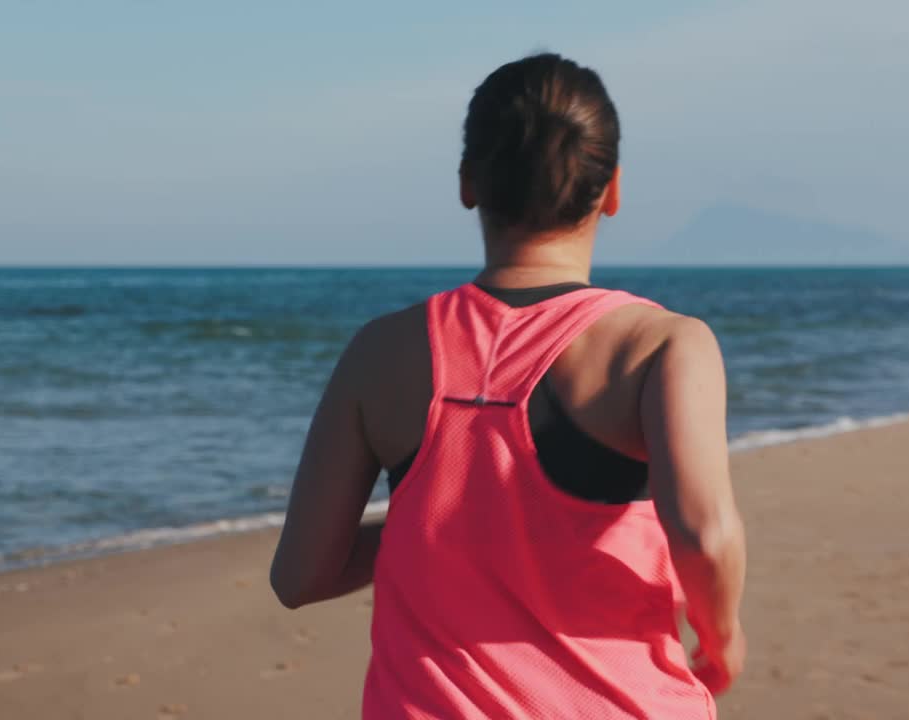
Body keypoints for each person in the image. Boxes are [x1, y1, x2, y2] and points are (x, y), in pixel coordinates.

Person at [270, 52, 746, 719]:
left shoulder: (379, 351)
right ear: (611, 189)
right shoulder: (661, 345)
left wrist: (448, 516)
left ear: (469, 184)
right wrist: (723, 636)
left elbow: (300, 576)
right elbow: (702, 533)